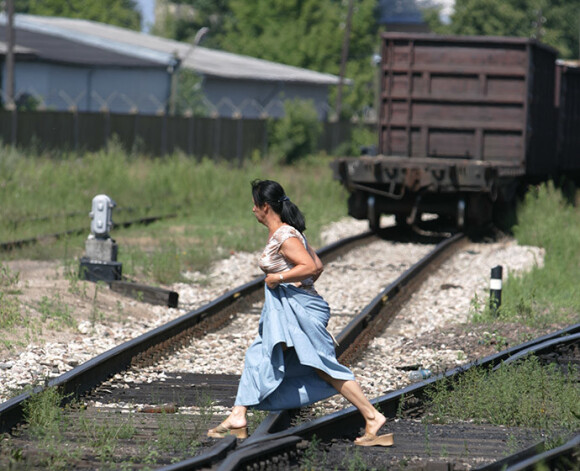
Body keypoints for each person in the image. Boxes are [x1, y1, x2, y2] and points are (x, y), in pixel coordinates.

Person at [207, 179, 393, 447]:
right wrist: (295, 280)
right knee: (258, 354)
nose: (253, 210)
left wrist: (279, 278)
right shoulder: (286, 233)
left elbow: (309, 265)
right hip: (292, 309)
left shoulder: (285, 235)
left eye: (255, 205)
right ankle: (238, 415)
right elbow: (317, 266)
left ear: (266, 207)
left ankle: (373, 416)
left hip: (300, 311)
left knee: (322, 365)